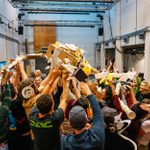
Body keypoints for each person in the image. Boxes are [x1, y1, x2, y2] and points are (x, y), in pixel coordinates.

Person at [29, 71, 69, 150]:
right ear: (52, 107)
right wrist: (64, 80)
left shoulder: (32, 115)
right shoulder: (55, 118)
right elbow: (64, 99)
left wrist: (54, 77)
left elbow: (42, 96)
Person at [61, 82, 105, 150]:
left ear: (70, 124)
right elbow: (98, 113)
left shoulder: (65, 142)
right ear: (86, 120)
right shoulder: (96, 136)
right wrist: (89, 93)